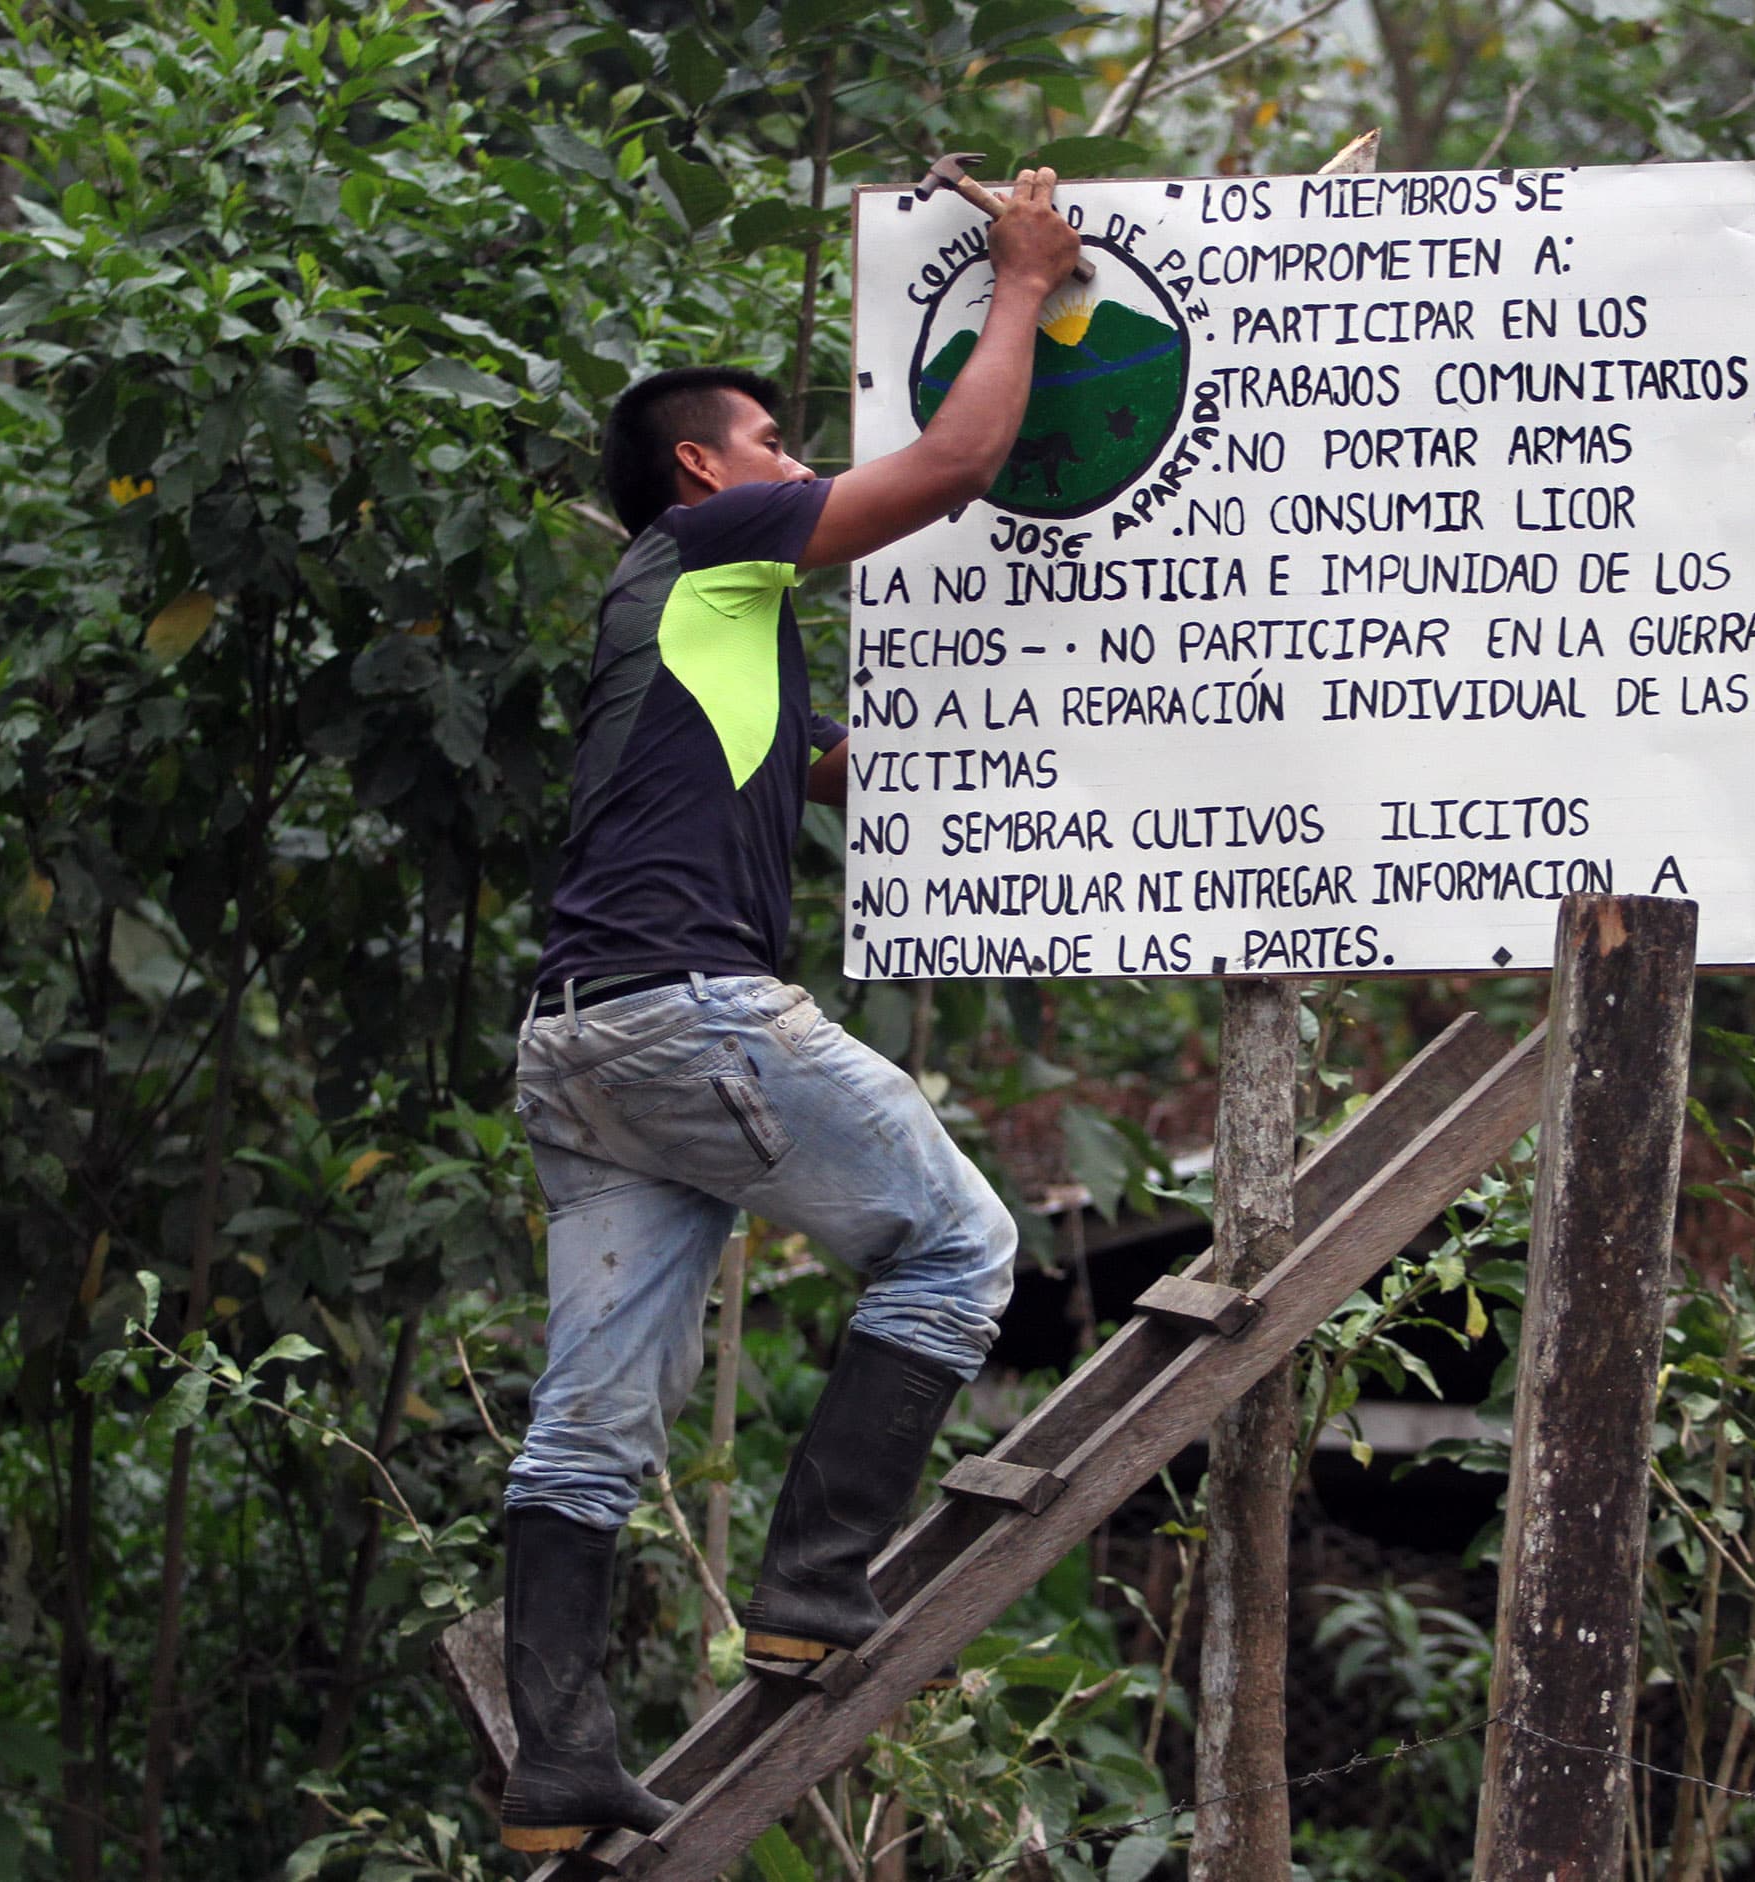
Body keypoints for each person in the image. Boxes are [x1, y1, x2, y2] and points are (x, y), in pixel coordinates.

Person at [490, 172, 1085, 1854]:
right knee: (965, 1244)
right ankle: (819, 1589)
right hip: (688, 1015)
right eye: (771, 441)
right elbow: (956, 466)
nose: (792, 463)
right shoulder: (707, 540)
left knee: (590, 1426)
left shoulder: (674, 626)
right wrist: (1024, 283)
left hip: (575, 1047)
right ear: (705, 467)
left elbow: (791, 759)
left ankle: (558, 1767)